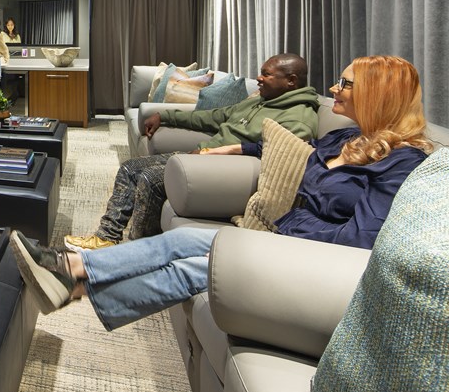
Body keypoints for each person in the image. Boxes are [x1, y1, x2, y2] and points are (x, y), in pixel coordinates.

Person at [11, 55, 431, 332]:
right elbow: (284, 149)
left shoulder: (402, 163)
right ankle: (73, 270)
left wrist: (290, 226)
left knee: (196, 268)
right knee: (180, 240)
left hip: (315, 261)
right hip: (284, 239)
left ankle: (76, 282)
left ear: (377, 95)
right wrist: (241, 147)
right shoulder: (347, 137)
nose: (335, 89)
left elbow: (361, 242)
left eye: (346, 84)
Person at [64, 53, 319, 252]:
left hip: (228, 171)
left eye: (266, 74)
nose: (259, 78)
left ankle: (137, 250)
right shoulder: (259, 100)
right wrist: (164, 115)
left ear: (291, 81)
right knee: (130, 168)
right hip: (201, 157)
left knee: (151, 180)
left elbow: (279, 159)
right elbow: (215, 116)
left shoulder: (299, 117)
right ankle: (106, 237)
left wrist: (221, 153)